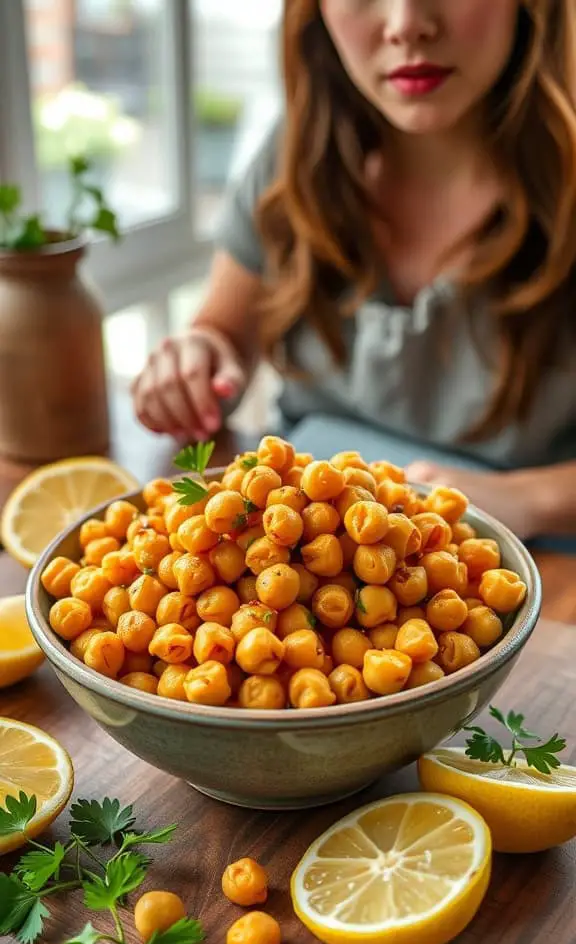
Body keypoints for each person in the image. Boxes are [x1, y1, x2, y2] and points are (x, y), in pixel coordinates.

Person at [132, 0, 576, 540]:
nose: (407, 24)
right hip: (295, 540)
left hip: (540, 565)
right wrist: (200, 358)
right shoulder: (293, 158)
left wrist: (528, 498)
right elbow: (223, 333)